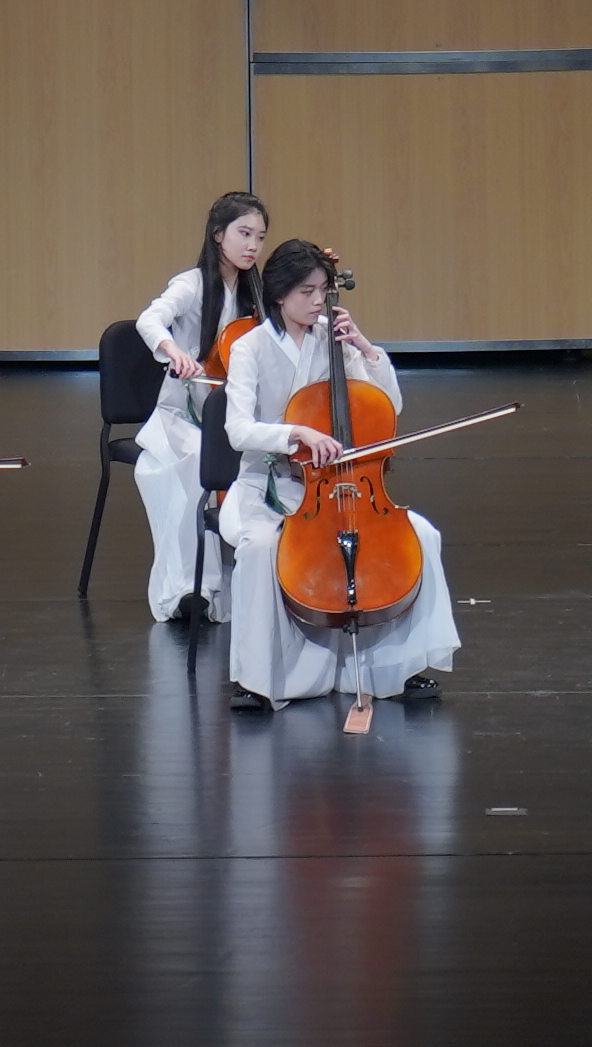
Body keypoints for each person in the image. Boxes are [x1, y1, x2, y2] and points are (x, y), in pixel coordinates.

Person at [216, 238, 460, 715]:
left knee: (423, 536)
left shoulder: (335, 339)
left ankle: (402, 667)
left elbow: (386, 408)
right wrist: (296, 433)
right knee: (261, 548)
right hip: (269, 487)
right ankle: (257, 680)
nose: (317, 302)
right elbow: (237, 430)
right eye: (306, 292)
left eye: (323, 291)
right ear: (279, 295)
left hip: (342, 486)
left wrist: (366, 350)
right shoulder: (250, 347)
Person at [125, 188, 273, 629]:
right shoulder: (191, 284)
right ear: (217, 235)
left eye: (260, 237)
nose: (252, 245)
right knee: (197, 464)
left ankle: (261, 578)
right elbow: (149, 319)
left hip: (233, 418)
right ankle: (195, 588)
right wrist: (174, 351)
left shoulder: (257, 293)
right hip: (182, 418)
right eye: (244, 233)